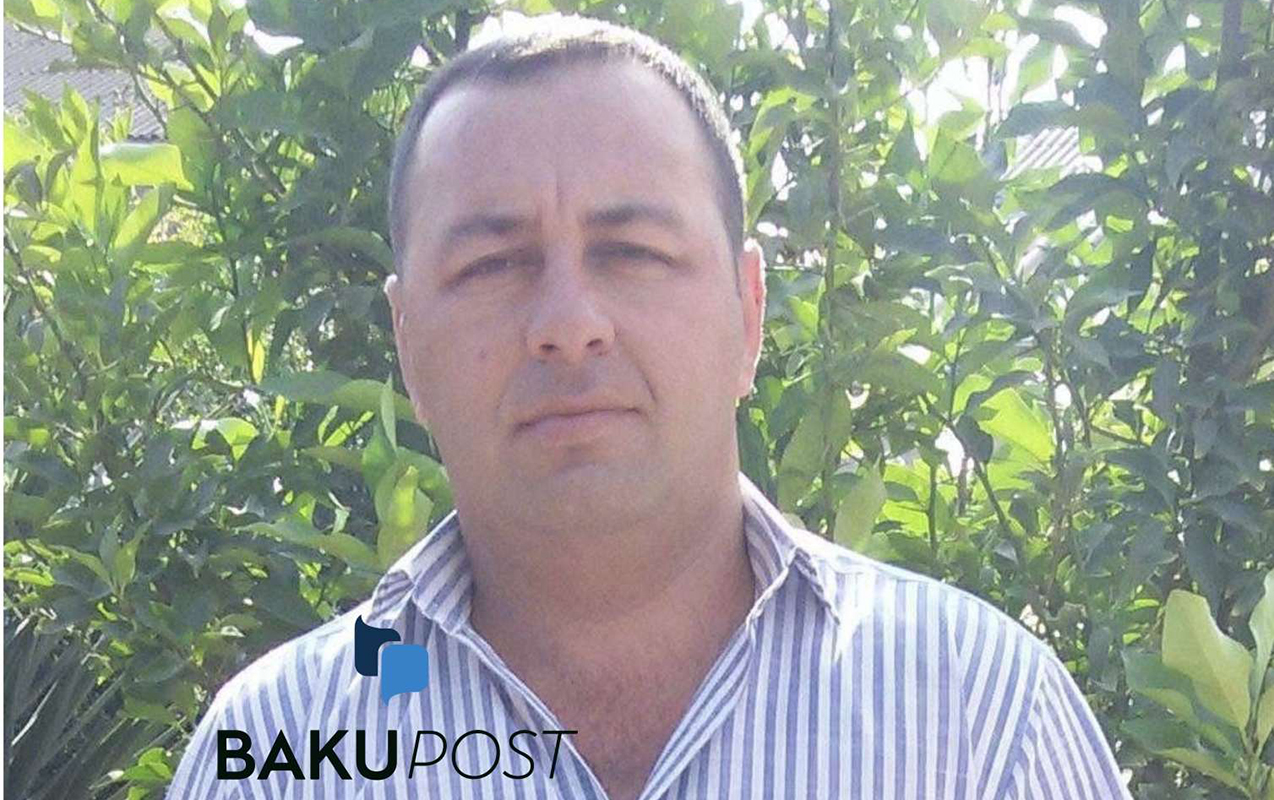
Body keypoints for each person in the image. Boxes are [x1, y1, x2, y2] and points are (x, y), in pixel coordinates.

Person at [168, 16, 1132, 800]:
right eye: (493, 264)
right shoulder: (280, 752)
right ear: (408, 342)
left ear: (748, 314)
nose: (568, 325)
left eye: (632, 253)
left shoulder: (977, 718)